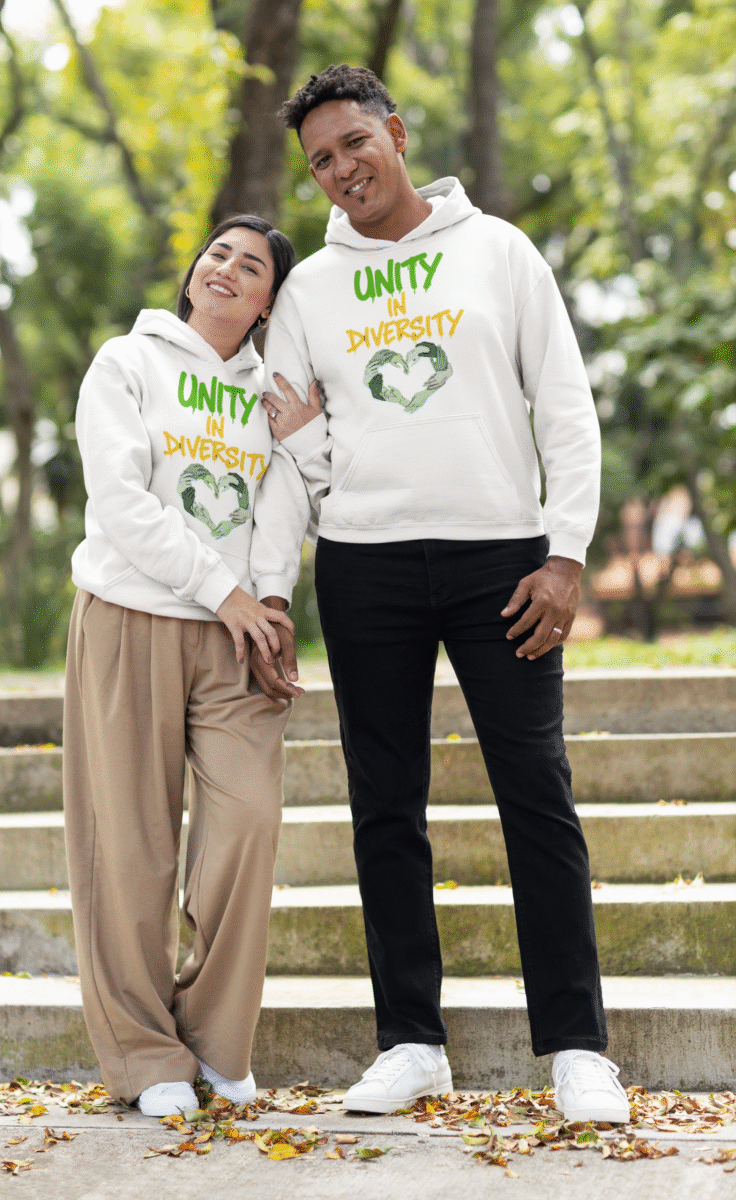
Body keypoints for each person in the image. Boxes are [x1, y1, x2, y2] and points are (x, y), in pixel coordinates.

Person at [261, 64, 630, 1124]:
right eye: (320, 162)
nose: (340, 172)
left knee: (535, 792)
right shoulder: (309, 291)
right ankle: (410, 1042)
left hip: (499, 561)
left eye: (351, 146)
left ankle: (574, 1049)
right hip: (366, 565)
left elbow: (562, 406)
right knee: (385, 803)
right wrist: (325, 508)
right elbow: (289, 430)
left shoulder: (497, 253)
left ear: (397, 133)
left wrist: (563, 554)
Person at [63, 215, 309, 1118]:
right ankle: (142, 1053)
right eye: (218, 254)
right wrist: (224, 588)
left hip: (238, 635)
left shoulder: (271, 390)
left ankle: (214, 1039)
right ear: (195, 271)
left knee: (248, 820)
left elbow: (287, 495)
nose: (227, 270)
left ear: (267, 302)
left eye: (250, 267)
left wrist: (269, 598)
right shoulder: (126, 363)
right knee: (128, 843)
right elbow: (121, 502)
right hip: (131, 615)